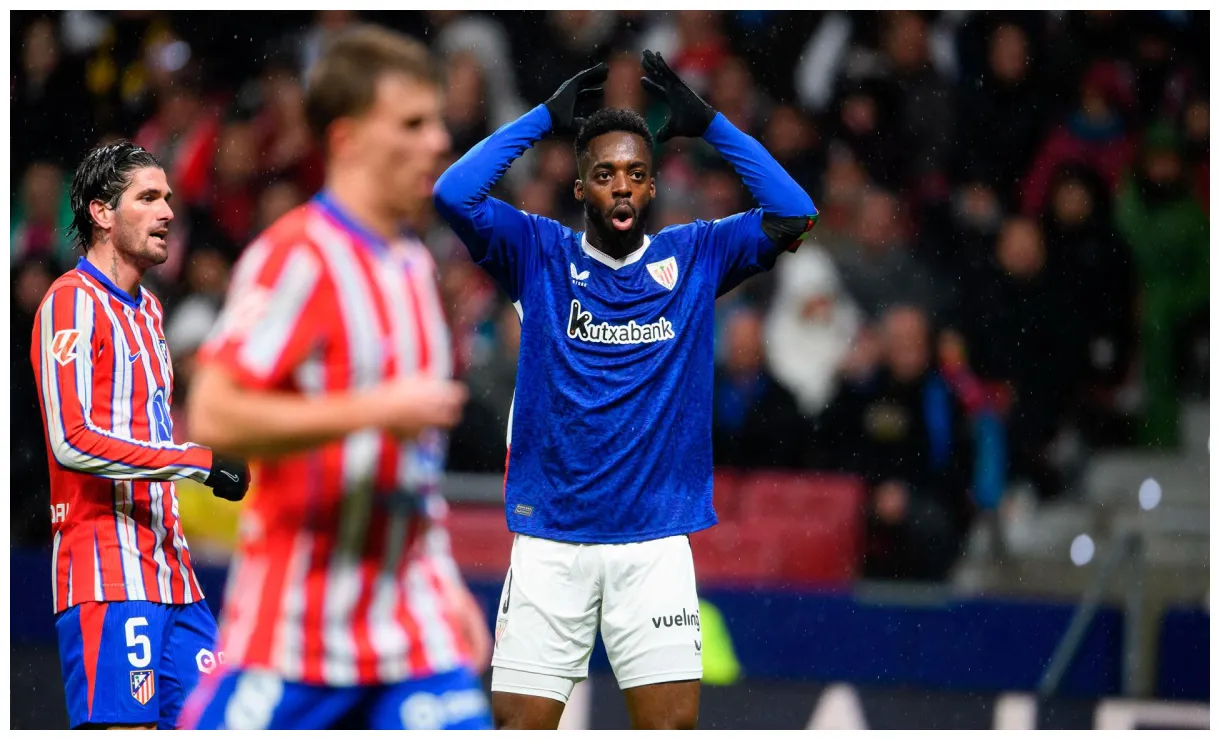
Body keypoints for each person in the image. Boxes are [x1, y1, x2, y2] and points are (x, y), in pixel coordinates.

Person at [434, 50, 818, 729]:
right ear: (580, 187)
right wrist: (543, 120)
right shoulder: (538, 253)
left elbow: (794, 213)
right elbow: (452, 194)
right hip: (551, 540)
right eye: (605, 173)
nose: (620, 187)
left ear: (651, 191)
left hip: (655, 545)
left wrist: (712, 126)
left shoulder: (696, 256)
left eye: (636, 175)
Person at [176, 26, 493, 731]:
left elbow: (413, 466)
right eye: (412, 123)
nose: (439, 141)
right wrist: (373, 407)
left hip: (410, 639)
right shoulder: (297, 257)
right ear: (346, 139)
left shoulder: (413, 267)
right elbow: (215, 414)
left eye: (438, 120)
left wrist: (446, 591)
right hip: (293, 642)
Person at [30, 140, 251, 730]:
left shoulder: (152, 311)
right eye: (148, 198)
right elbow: (72, 440)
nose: (168, 213)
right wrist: (198, 460)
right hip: (104, 570)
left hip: (173, 572)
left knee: (226, 721)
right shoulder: (69, 303)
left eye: (169, 199)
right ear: (102, 213)